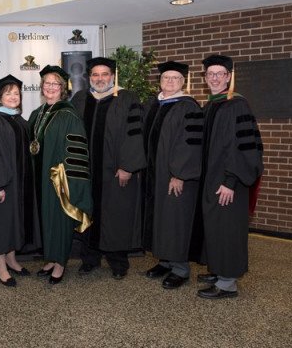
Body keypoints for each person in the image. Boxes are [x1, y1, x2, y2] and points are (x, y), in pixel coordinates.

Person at [195, 54, 264, 299]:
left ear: (228, 77)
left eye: (219, 74)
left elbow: (244, 148)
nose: (214, 78)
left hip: (228, 181)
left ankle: (227, 284)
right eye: (210, 74)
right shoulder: (210, 105)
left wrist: (230, 181)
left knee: (228, 230)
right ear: (205, 78)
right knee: (214, 227)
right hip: (211, 179)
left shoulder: (237, 105)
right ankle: (217, 269)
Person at [71, 57, 146, 280]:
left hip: (114, 171)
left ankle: (118, 262)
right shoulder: (80, 98)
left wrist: (127, 166)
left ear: (113, 76)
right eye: (95, 74)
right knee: (88, 212)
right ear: (89, 77)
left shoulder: (127, 99)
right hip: (86, 172)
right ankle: (89, 258)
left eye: (105, 74)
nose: (100, 79)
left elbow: (135, 135)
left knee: (116, 215)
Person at [28, 65, 93, 285]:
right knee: (45, 220)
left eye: (55, 84)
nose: (50, 87)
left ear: (63, 88)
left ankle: (60, 263)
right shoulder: (36, 114)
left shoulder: (68, 114)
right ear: (41, 87)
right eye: (46, 83)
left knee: (59, 220)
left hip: (59, 179)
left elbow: (76, 152)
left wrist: (67, 180)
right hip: (40, 179)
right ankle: (50, 259)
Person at [141, 61, 203, 289]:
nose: (170, 82)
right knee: (161, 218)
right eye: (166, 77)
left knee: (176, 220)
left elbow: (190, 145)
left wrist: (180, 174)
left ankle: (180, 268)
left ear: (183, 82)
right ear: (160, 81)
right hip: (154, 175)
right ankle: (164, 261)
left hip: (174, 177)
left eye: (175, 78)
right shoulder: (153, 105)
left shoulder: (189, 107)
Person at [0, 74, 41, 287]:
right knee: (1, 224)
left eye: (16, 93)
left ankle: (12, 259)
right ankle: (1, 266)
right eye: (8, 93)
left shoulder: (18, 119)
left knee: (14, 222)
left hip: (18, 184)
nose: (13, 97)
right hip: (2, 184)